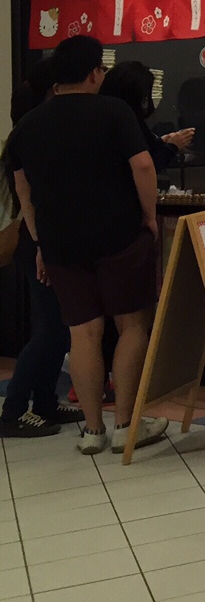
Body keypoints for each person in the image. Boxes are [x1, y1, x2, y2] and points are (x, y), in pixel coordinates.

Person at [10, 36, 168, 455]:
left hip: (62, 245)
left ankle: (93, 431)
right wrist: (149, 216)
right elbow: (143, 163)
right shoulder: (113, 111)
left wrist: (42, 239)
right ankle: (127, 426)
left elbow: (23, 189)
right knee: (130, 326)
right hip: (119, 237)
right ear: (95, 72)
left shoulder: (30, 124)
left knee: (83, 335)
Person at [0, 61, 79, 439]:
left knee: (58, 329)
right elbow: (28, 201)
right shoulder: (31, 137)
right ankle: (13, 410)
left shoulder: (30, 133)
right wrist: (42, 246)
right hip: (37, 244)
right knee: (51, 330)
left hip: (41, 242)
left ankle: (45, 403)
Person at [102, 60, 193, 171]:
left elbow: (143, 148)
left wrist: (162, 142)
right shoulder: (123, 122)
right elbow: (145, 167)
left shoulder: (110, 116)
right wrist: (172, 147)